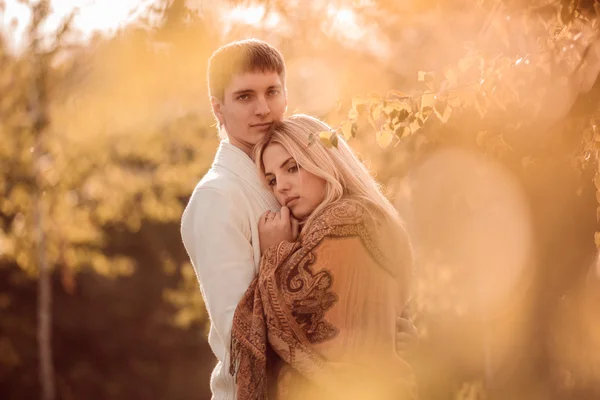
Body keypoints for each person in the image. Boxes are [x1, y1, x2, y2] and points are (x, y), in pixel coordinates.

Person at [180, 39, 417, 400]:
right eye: (245, 96)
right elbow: (240, 339)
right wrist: (277, 257)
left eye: (272, 91)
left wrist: (378, 330)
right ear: (218, 109)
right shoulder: (218, 197)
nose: (263, 108)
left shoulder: (307, 177)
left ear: (286, 95)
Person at [230, 114, 417, 400]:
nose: (281, 187)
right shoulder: (365, 218)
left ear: (323, 160)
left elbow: (298, 320)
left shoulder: (346, 221)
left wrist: (275, 253)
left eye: (292, 168)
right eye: (272, 179)